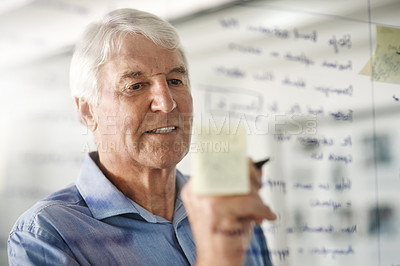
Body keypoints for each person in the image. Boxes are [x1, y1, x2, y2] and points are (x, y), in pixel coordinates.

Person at [7, 8, 276, 266]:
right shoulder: (47, 234)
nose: (166, 103)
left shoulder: (229, 209)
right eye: (135, 86)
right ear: (89, 112)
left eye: (175, 81)